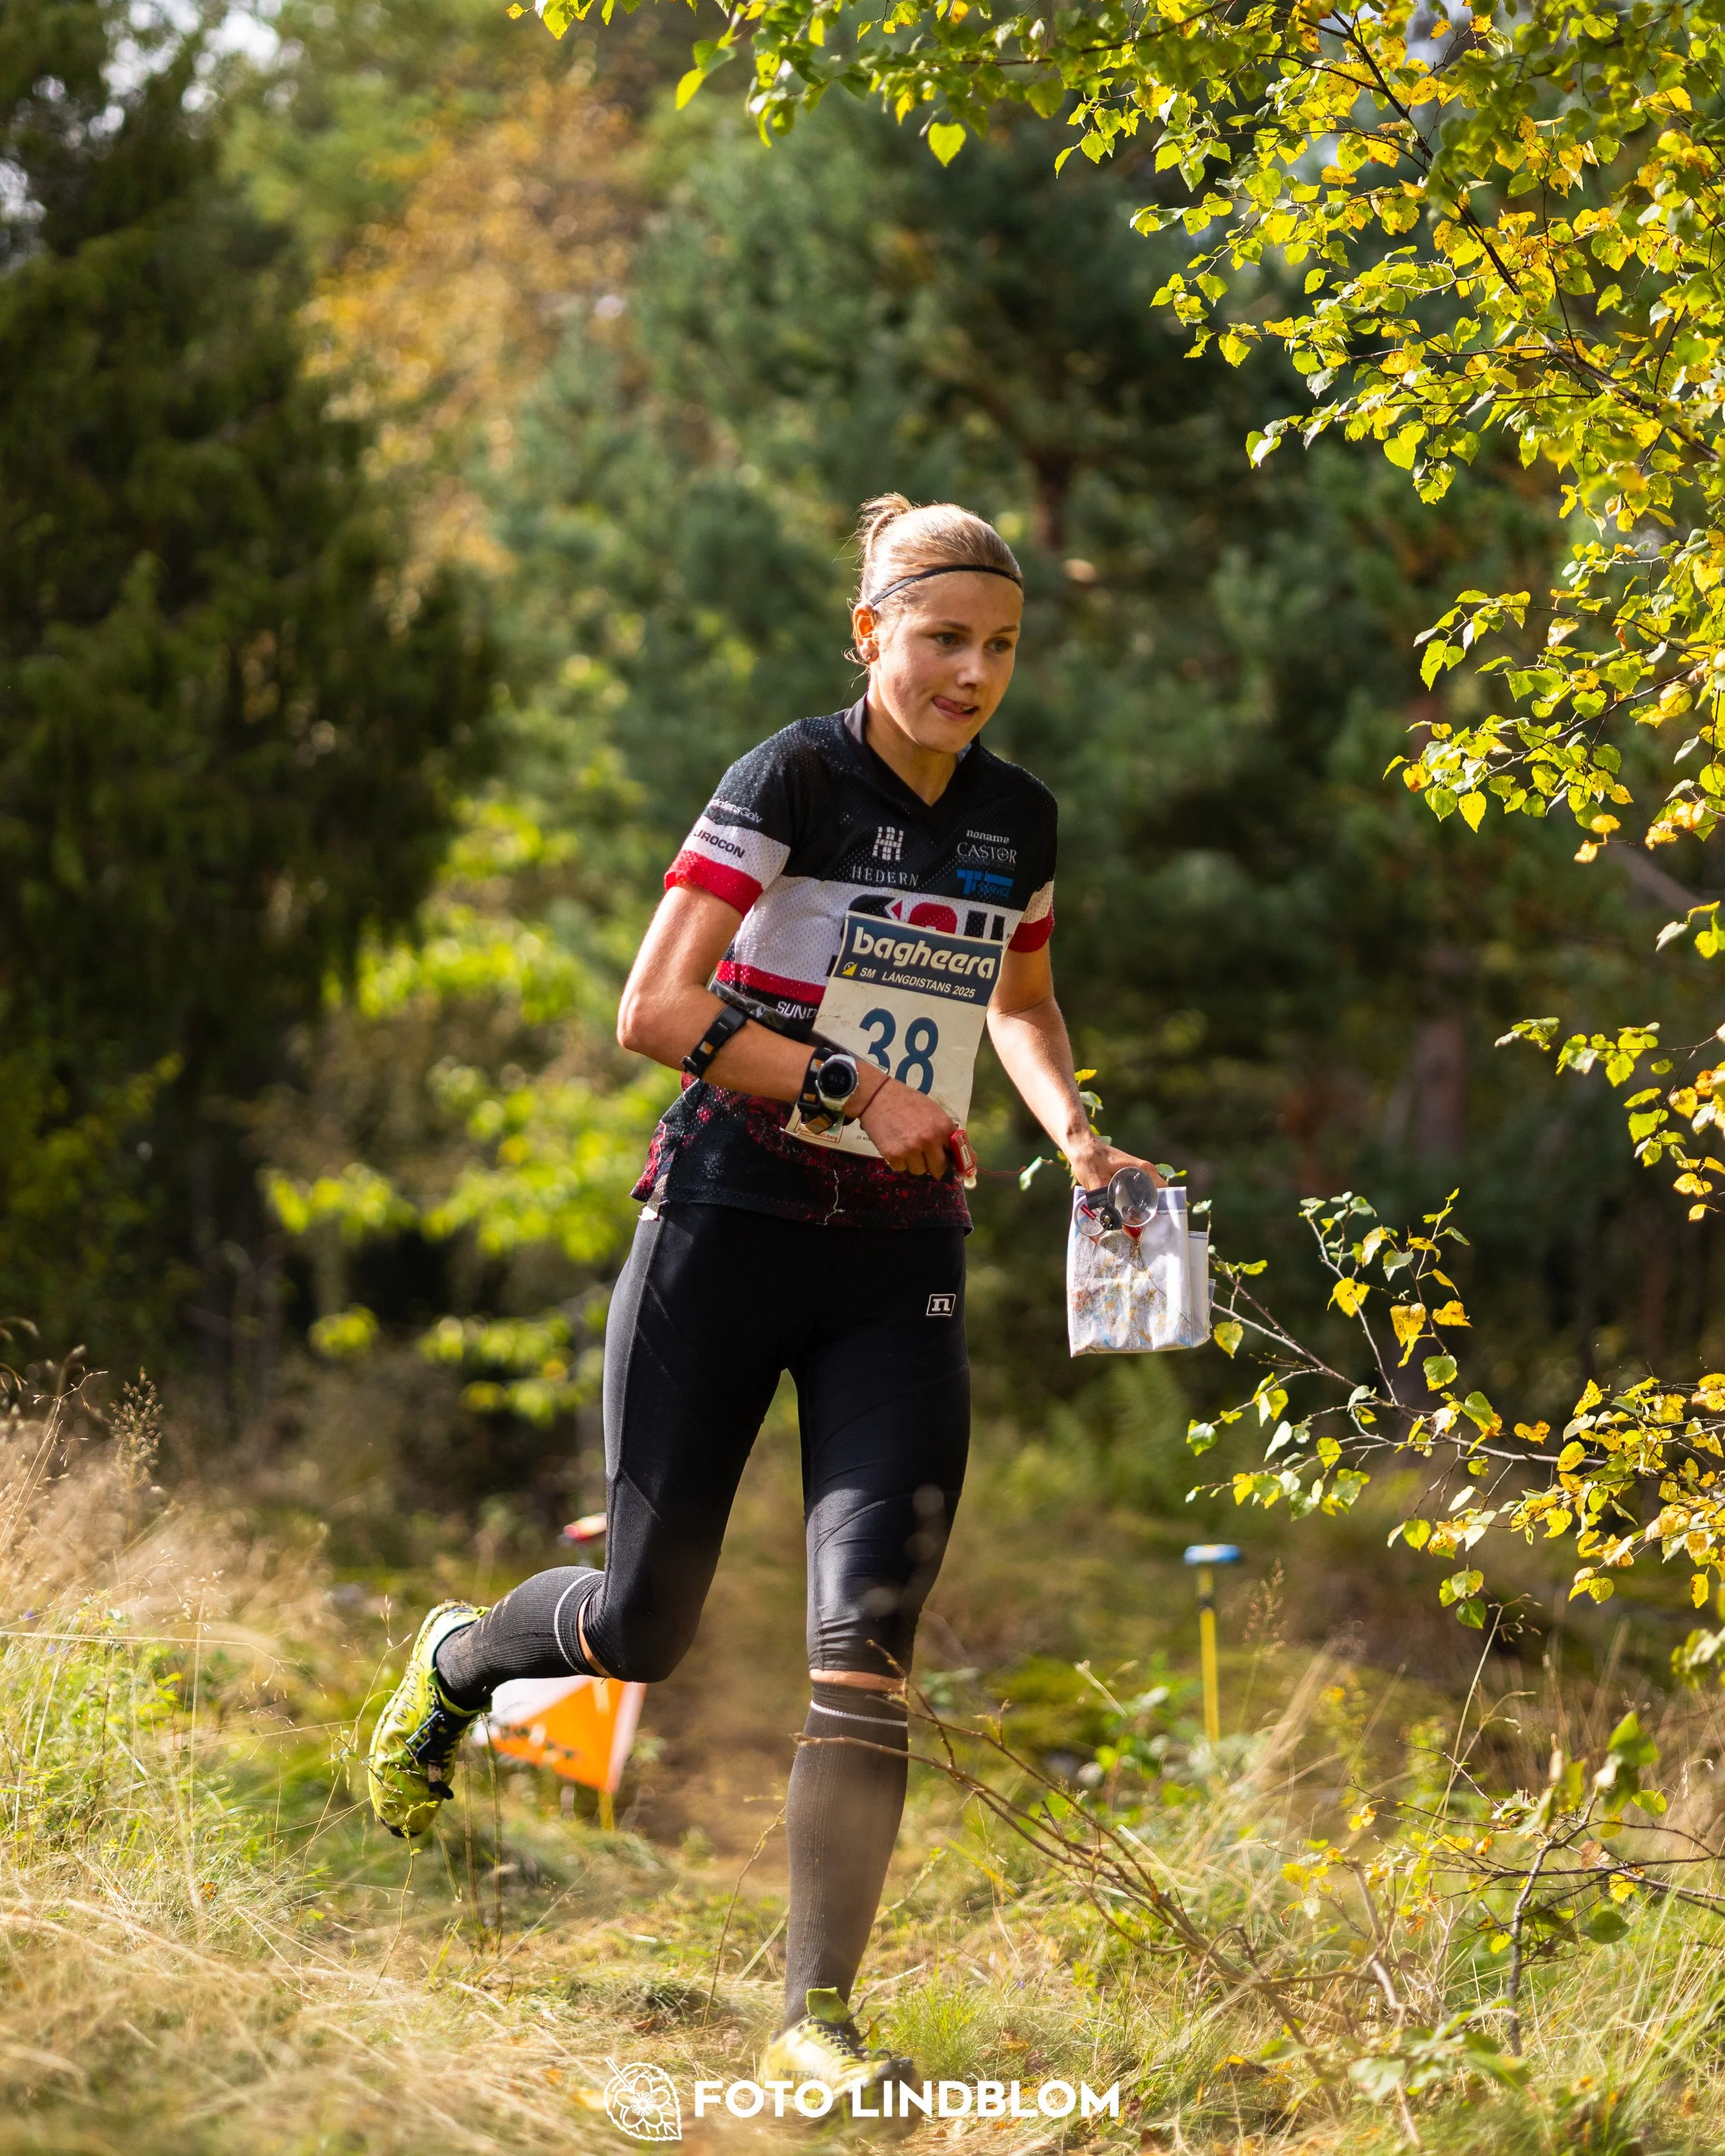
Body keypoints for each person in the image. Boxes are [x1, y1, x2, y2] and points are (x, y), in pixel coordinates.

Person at [366, 493, 1162, 2097]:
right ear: (869, 631)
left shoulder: (1017, 816)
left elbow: (1020, 995)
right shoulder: (789, 775)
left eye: (999, 646)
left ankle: (815, 2021)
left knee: (866, 1646)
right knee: (644, 1620)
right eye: (941, 638)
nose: (971, 674)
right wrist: (854, 1088)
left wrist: (1074, 1130)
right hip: (724, 1226)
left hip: (899, 1263)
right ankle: (460, 1658)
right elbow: (652, 1008)